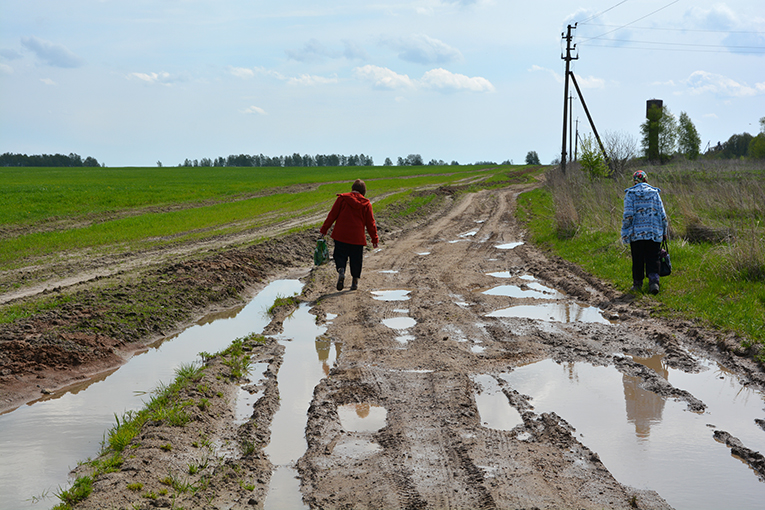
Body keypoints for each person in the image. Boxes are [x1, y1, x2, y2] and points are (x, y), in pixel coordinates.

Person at [320, 179, 379, 291]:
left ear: (352, 188)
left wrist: (324, 230)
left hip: (341, 235)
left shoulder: (342, 199)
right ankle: (355, 281)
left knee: (340, 255)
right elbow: (371, 223)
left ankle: (341, 270)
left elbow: (332, 215)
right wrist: (374, 239)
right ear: (363, 191)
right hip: (357, 238)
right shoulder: (366, 204)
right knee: (356, 259)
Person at [621, 170, 668, 295]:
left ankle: (637, 285)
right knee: (653, 258)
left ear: (634, 181)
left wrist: (625, 231)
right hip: (654, 233)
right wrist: (664, 231)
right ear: (646, 180)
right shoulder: (655, 194)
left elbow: (628, 216)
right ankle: (653, 283)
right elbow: (663, 215)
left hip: (636, 234)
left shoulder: (630, 194)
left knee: (638, 259)